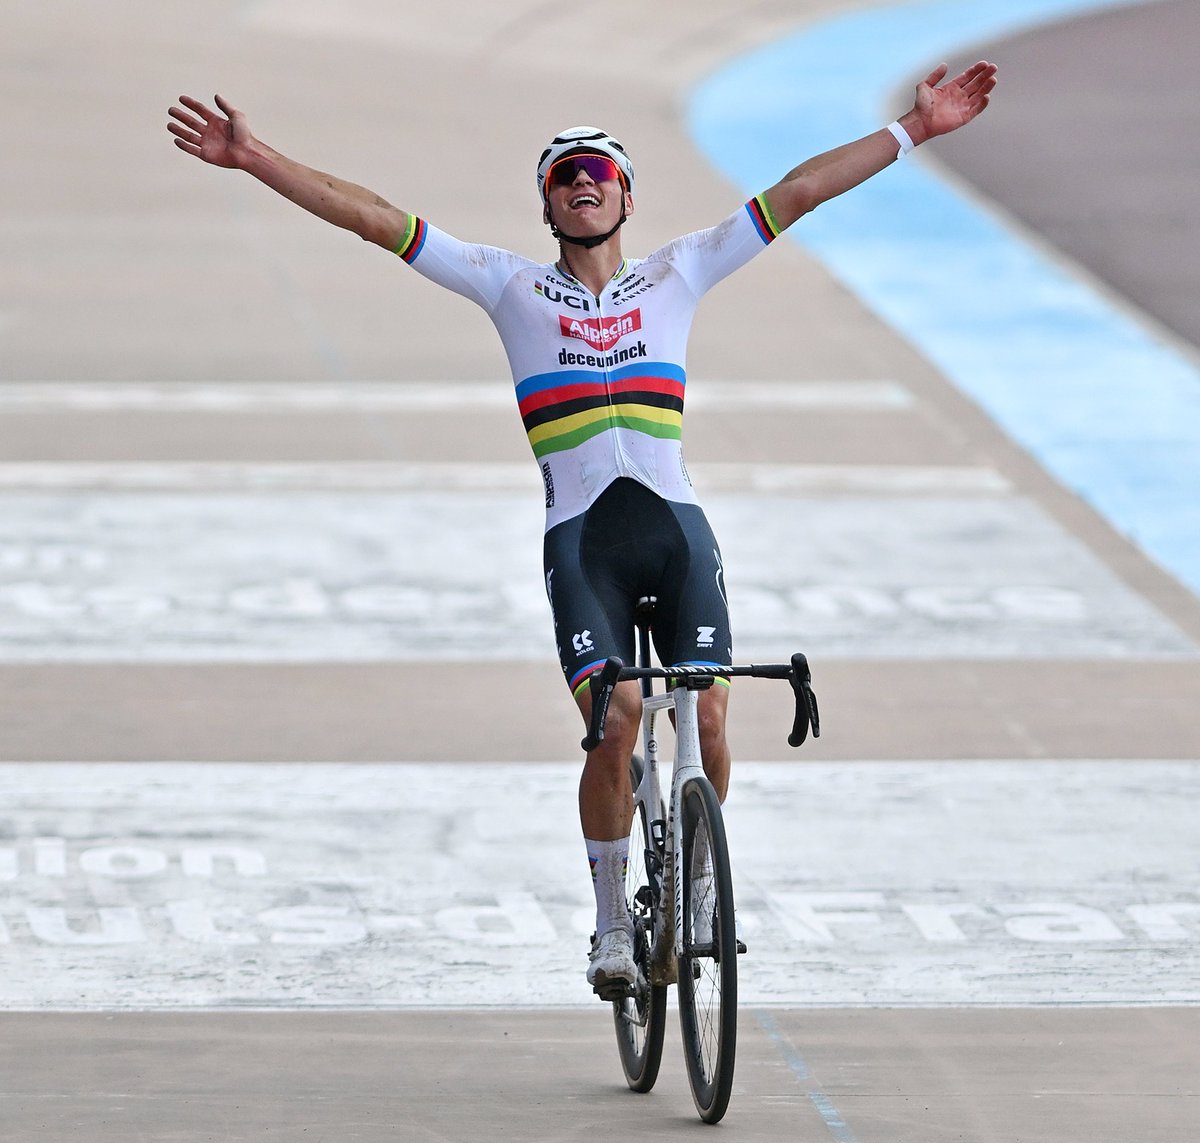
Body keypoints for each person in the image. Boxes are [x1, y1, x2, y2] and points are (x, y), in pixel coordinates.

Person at [167, 60, 997, 996]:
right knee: (616, 726)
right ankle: (609, 927)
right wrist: (252, 157)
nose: (585, 180)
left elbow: (798, 192)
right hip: (583, 544)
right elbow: (372, 216)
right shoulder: (506, 286)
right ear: (548, 205)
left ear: (628, 197)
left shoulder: (680, 271)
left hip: (676, 530)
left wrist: (912, 131)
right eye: (566, 174)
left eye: (600, 170)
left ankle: (699, 885)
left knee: (712, 711)